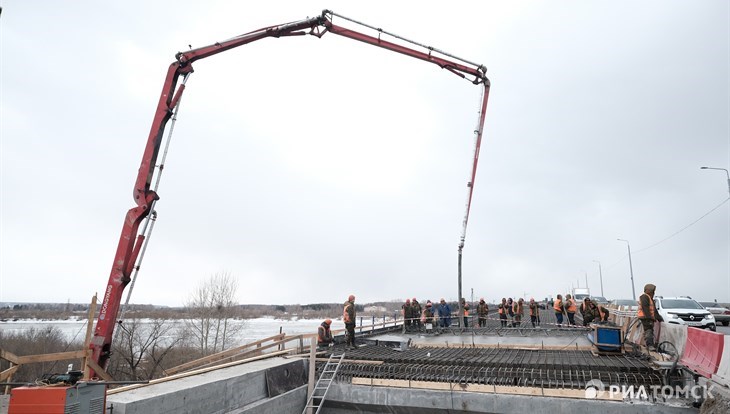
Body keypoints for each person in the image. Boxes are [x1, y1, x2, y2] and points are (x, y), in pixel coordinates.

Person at [638, 283, 663, 350]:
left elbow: (654, 311)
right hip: (645, 318)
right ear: (649, 291)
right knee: (648, 330)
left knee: (650, 330)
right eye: (653, 291)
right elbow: (645, 308)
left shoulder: (650, 298)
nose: (654, 293)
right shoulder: (644, 297)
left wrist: (659, 318)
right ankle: (650, 346)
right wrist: (649, 318)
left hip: (647, 318)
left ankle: (650, 345)